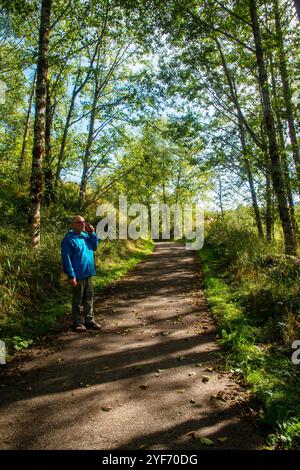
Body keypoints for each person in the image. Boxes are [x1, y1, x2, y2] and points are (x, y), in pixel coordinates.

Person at [61, 215, 102, 332]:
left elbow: (95, 247)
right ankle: (77, 323)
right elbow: (66, 259)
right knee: (77, 300)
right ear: (73, 224)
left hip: (88, 272)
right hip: (77, 275)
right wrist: (71, 275)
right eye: (79, 222)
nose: (83, 224)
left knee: (89, 298)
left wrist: (92, 233)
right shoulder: (68, 239)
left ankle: (89, 320)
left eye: (84, 222)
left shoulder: (85, 236)